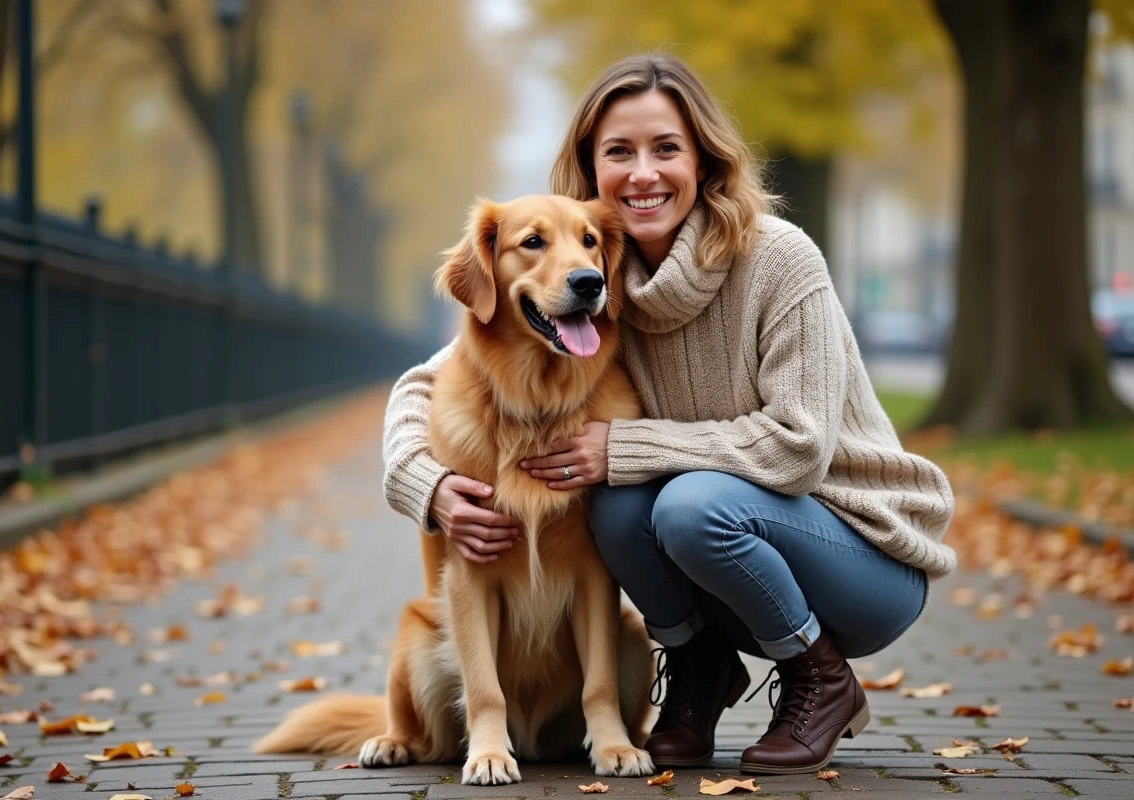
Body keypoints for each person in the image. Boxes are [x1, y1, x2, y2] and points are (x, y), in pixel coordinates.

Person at [381, 52, 955, 776]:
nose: (644, 173)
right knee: (618, 512)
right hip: (743, 554)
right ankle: (699, 670)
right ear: (592, 170)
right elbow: (429, 382)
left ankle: (821, 677)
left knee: (683, 505)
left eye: (667, 149)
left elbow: (800, 449)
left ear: (704, 160)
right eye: (619, 151)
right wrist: (422, 482)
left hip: (861, 553)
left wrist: (625, 447)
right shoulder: (592, 276)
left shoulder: (780, 260)